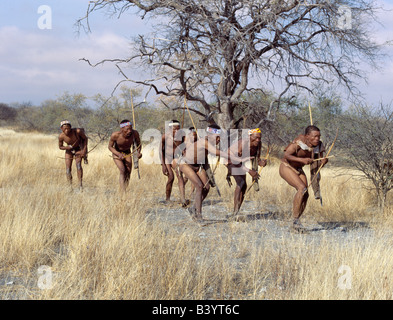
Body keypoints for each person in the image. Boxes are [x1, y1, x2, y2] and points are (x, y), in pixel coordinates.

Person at [176, 124, 250, 223]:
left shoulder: (208, 142)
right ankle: (198, 216)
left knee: (206, 188)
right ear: (210, 135)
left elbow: (217, 153)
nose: (218, 140)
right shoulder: (204, 142)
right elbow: (217, 152)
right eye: (217, 137)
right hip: (185, 164)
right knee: (199, 186)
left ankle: (193, 208)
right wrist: (237, 158)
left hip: (198, 166)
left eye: (219, 138)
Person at [279, 125, 328, 232]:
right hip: (287, 167)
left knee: (305, 193)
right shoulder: (298, 142)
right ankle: (296, 221)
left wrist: (323, 162)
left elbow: (317, 163)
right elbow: (286, 155)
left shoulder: (318, 146)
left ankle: (295, 222)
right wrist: (302, 160)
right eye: (314, 136)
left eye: (319, 136)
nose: (317, 139)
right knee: (302, 188)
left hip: (298, 169)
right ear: (307, 136)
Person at [226, 128, 267, 217]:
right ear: (249, 136)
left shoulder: (258, 145)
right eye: (256, 138)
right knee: (240, 183)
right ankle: (235, 211)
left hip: (240, 163)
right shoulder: (243, 143)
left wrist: (262, 163)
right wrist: (249, 171)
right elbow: (234, 160)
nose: (258, 140)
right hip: (230, 161)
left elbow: (257, 159)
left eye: (259, 138)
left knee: (244, 186)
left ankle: (236, 212)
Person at [159, 120, 188, 206]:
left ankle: (183, 199)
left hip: (176, 158)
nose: (177, 131)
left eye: (178, 129)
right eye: (174, 129)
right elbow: (160, 151)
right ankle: (167, 199)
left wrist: (184, 152)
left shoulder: (182, 135)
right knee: (171, 177)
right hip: (167, 159)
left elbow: (184, 146)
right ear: (169, 128)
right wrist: (163, 165)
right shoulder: (165, 136)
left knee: (180, 176)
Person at [108, 120, 142, 193]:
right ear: (122, 129)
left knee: (128, 171)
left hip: (127, 153)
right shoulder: (115, 135)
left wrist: (138, 152)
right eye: (127, 129)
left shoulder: (134, 133)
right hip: (117, 153)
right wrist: (118, 154)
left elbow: (138, 144)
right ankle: (123, 192)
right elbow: (110, 147)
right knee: (122, 170)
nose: (129, 131)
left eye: (131, 128)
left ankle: (125, 188)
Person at [58, 120, 88, 191]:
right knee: (68, 169)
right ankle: (70, 186)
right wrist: (66, 147)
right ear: (61, 129)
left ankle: (80, 186)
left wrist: (84, 151)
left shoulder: (77, 131)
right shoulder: (61, 136)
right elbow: (60, 147)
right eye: (64, 128)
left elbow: (85, 139)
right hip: (69, 150)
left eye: (68, 128)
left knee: (78, 166)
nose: (66, 130)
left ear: (71, 128)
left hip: (78, 149)